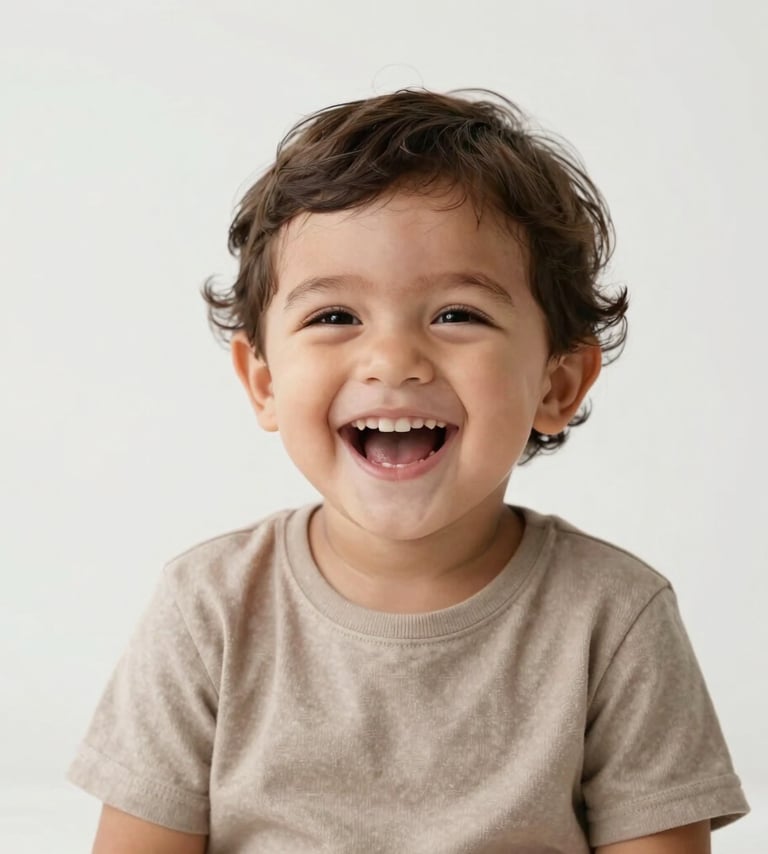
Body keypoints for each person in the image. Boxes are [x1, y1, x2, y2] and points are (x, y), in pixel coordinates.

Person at [67, 88, 750, 853]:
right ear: (262, 381)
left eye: (457, 314)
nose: (392, 359)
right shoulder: (209, 610)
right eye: (335, 317)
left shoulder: (615, 618)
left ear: (558, 385)